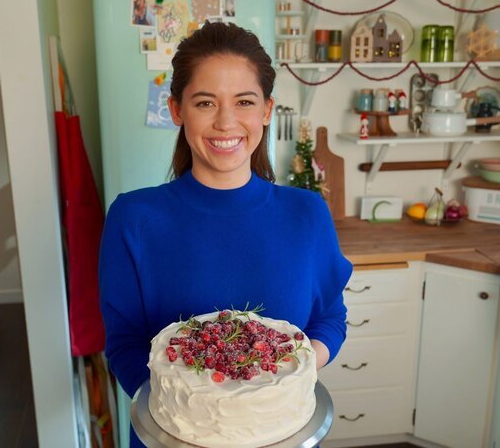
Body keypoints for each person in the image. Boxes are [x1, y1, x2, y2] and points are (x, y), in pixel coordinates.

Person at [99, 22, 352, 446]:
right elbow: (123, 343)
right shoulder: (134, 217)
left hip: (282, 435)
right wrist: (199, 416)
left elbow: (330, 319)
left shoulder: (307, 213)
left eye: (245, 101)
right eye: (205, 103)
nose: (226, 122)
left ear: (267, 111)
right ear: (177, 110)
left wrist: (275, 391)